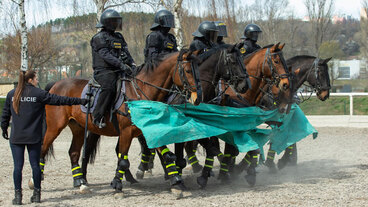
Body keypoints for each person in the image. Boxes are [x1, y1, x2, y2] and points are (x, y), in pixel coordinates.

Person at [1, 70, 88, 205]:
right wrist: (81, 100)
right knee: (35, 166)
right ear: (30, 80)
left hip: (16, 137)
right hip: (33, 137)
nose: (37, 81)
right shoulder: (38, 94)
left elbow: (5, 113)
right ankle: (37, 195)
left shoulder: (12, 94)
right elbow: (60, 100)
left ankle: (17, 197)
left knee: (17, 167)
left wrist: (4, 128)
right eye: (36, 79)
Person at [90, 9, 136, 128]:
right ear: (107, 23)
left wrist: (132, 64)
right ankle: (97, 116)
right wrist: (121, 65)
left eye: (117, 21)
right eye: (113, 22)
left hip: (119, 70)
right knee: (109, 87)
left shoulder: (119, 36)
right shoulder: (99, 37)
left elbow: (126, 52)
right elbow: (105, 55)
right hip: (104, 71)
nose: (116, 24)